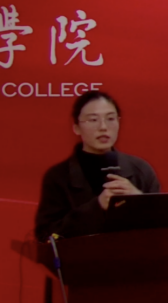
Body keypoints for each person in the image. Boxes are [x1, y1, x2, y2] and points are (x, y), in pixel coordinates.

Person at [34, 90, 160, 241]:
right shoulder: (58, 177)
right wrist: (97, 207)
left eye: (110, 118)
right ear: (76, 127)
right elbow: (46, 235)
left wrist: (139, 201)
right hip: (81, 256)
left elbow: (164, 229)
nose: (103, 127)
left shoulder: (141, 170)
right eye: (93, 120)